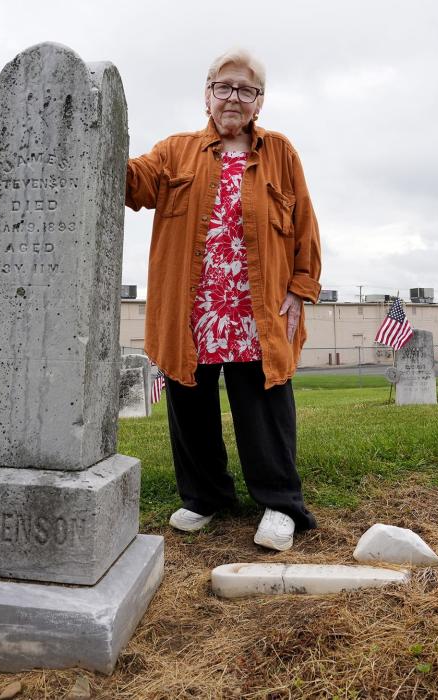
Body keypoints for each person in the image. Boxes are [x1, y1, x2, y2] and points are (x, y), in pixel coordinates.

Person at [125, 49, 322, 551]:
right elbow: (134, 184)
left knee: (264, 408)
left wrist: (301, 288)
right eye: (225, 87)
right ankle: (205, 496)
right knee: (190, 406)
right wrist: (95, 138)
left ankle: (279, 502)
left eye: (246, 90)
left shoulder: (280, 152)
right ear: (207, 93)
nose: (234, 97)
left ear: (260, 102)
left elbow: (305, 229)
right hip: (191, 308)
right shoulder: (174, 151)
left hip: (257, 309)